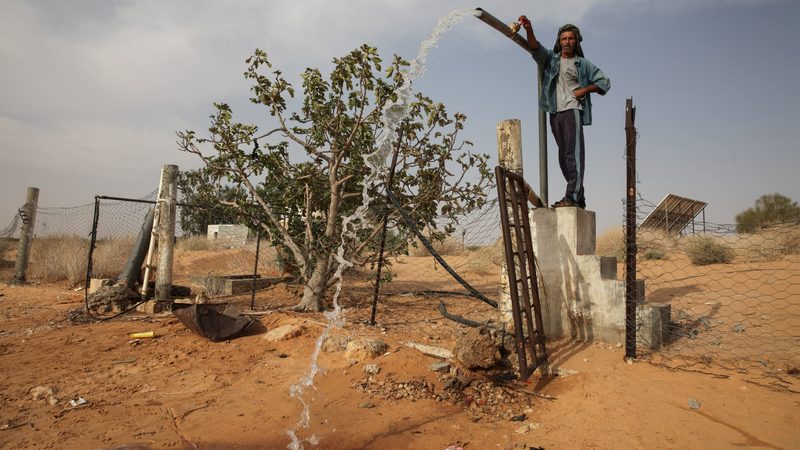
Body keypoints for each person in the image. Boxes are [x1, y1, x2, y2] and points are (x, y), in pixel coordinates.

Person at [519, 16, 611, 209]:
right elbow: (535, 48)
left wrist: (584, 90)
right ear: (559, 42)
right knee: (563, 157)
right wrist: (528, 29)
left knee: (573, 154)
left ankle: (571, 196)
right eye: (564, 39)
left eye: (570, 39)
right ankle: (580, 196)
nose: (567, 42)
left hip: (573, 111)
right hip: (555, 112)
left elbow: (605, 82)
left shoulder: (583, 64)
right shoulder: (552, 60)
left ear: (576, 41)